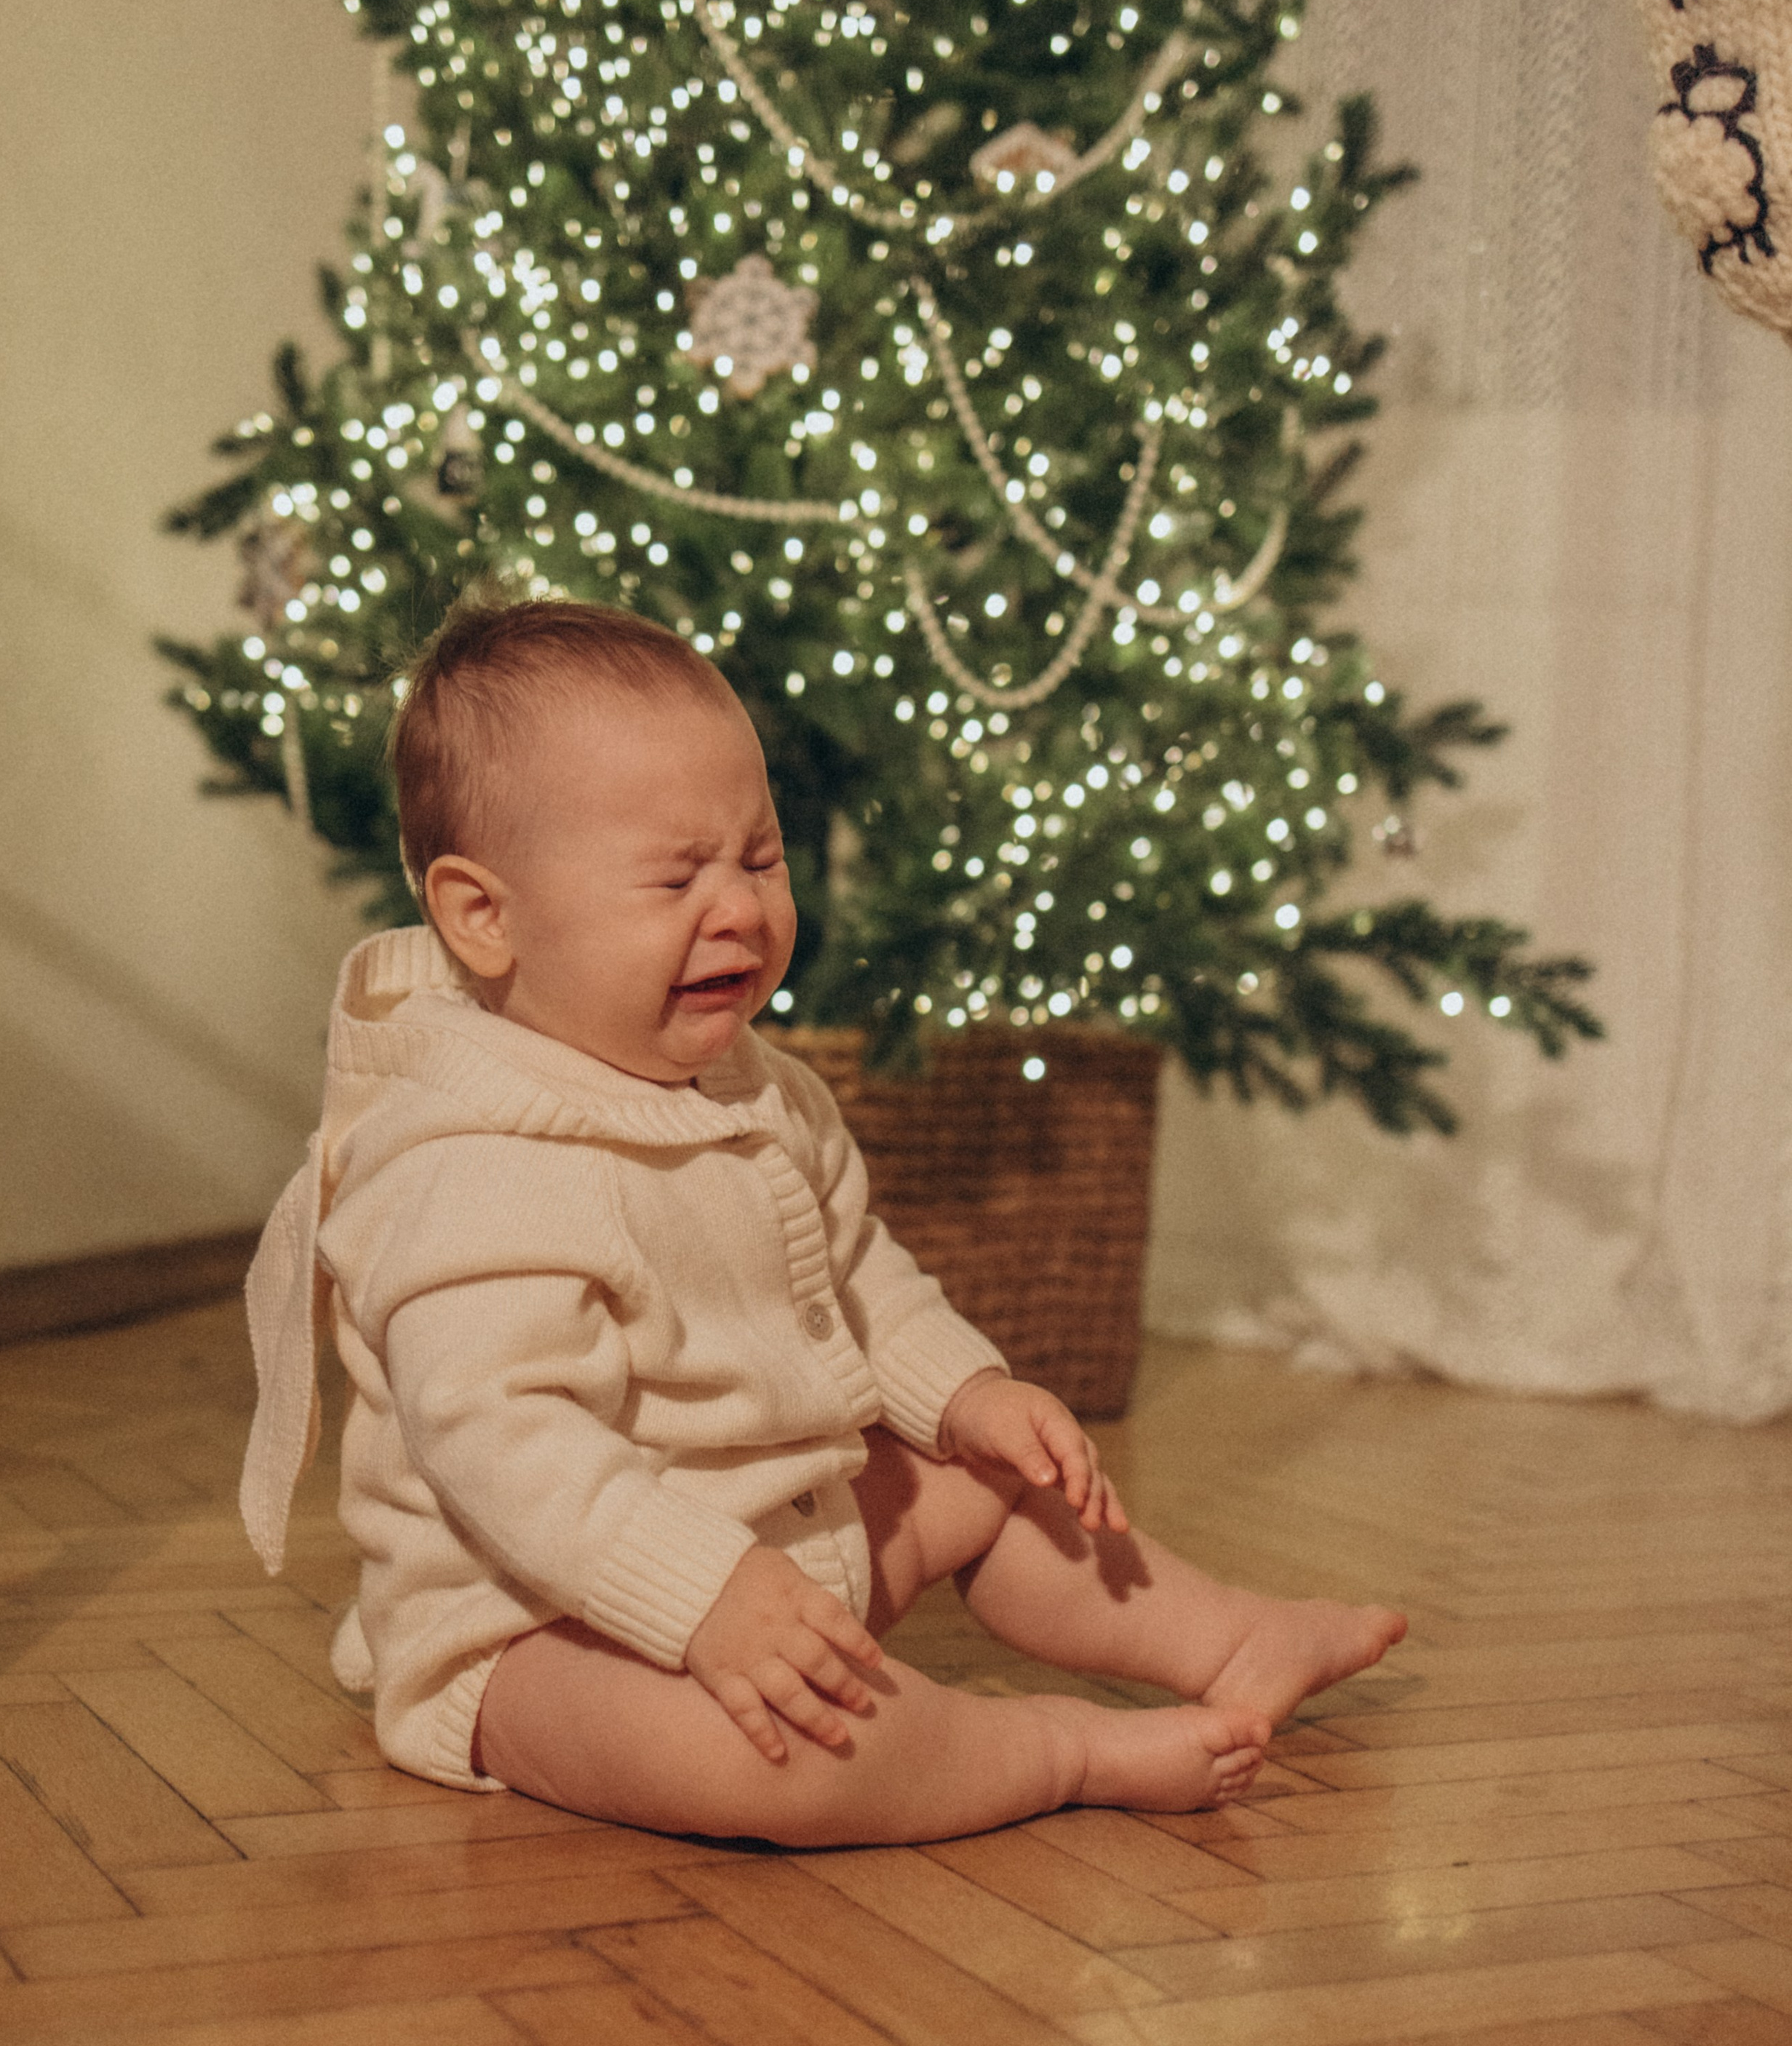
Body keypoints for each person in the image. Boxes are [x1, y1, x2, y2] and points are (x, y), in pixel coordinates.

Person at [241, 596, 1406, 1847]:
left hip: (782, 1552)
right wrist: (702, 1592)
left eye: (759, 857)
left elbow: (854, 1273)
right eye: (675, 876)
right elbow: (505, 1448)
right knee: (776, 1758)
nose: (737, 908)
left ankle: (1231, 1636)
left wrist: (961, 1397)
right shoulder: (469, 1162)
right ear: (486, 916)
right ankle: (1056, 1748)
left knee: (995, 1483)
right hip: (536, 1626)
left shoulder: (760, 1086)